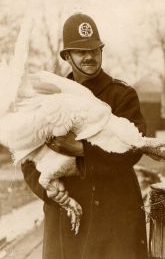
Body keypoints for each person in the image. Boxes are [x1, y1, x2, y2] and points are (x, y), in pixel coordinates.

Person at [22, 13, 148, 259]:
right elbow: (26, 154)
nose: (89, 56)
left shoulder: (122, 95)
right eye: (80, 51)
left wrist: (80, 150)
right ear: (67, 56)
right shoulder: (47, 98)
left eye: (95, 49)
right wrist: (47, 189)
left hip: (112, 217)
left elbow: (133, 149)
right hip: (65, 219)